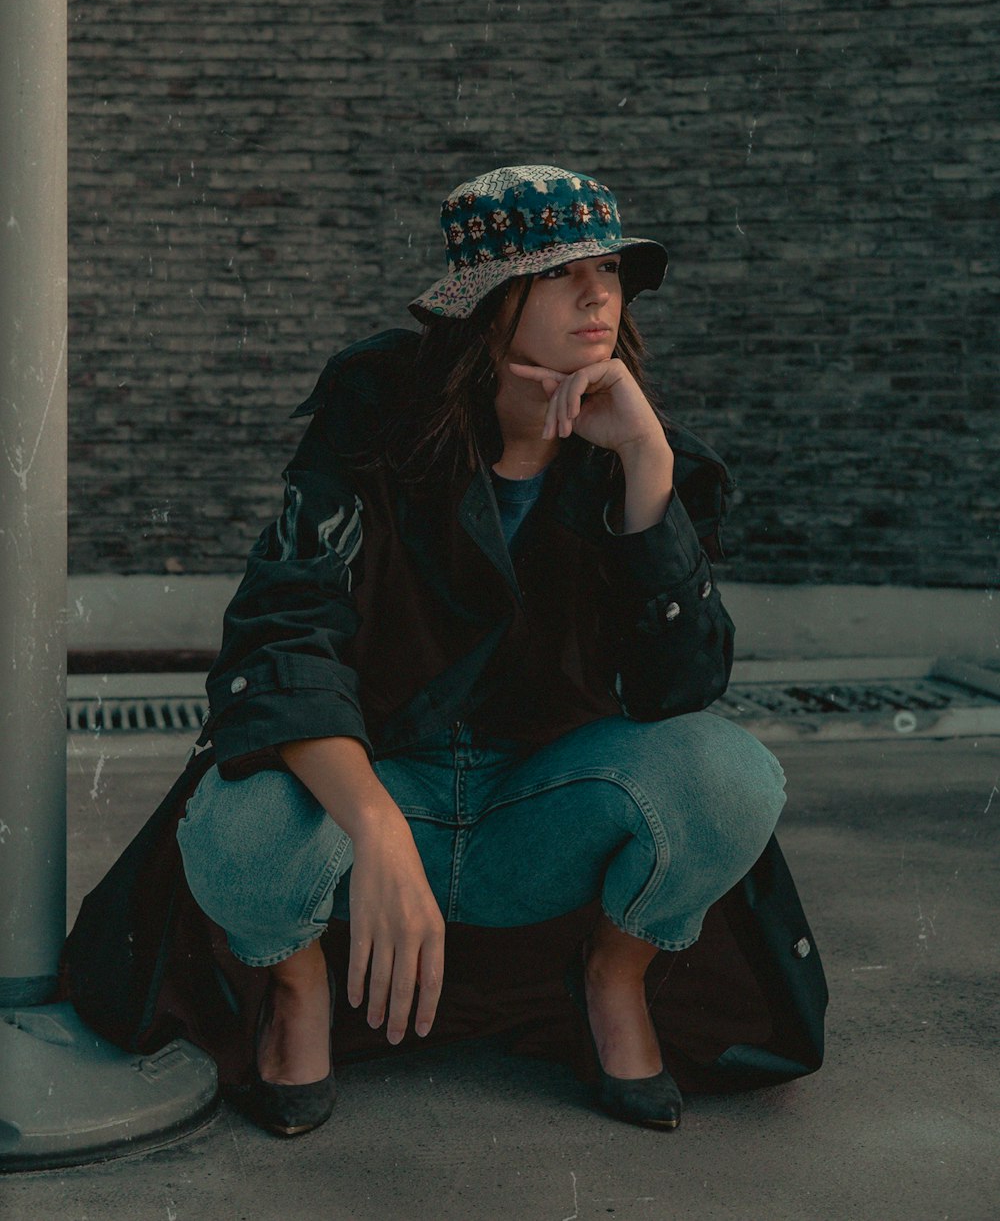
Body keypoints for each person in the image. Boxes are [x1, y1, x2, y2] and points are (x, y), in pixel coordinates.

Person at [170, 163, 792, 1138]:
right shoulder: (372, 416)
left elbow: (682, 689)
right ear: (487, 303)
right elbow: (284, 632)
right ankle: (298, 991)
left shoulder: (640, 449)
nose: (596, 293)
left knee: (732, 776)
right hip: (388, 788)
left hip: (544, 803)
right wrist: (373, 826)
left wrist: (646, 469)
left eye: (609, 270)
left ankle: (613, 975)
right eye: (558, 274)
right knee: (238, 824)